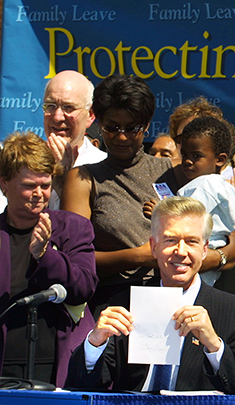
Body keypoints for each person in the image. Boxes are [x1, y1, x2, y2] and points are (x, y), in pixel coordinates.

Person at [66, 197, 235, 395]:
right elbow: (81, 386)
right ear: (153, 247)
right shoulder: (124, 304)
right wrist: (95, 343)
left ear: (204, 250)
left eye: (192, 242)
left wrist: (214, 346)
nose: (181, 251)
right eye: (171, 240)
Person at [60, 75, 179, 315]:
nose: (122, 136)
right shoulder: (83, 179)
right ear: (100, 123)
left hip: (170, 298)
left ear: (146, 126)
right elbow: (72, 260)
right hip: (111, 306)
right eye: (112, 128)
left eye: (132, 128)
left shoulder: (169, 171)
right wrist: (136, 257)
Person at [0, 132, 98, 387]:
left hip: (55, 362)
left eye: (45, 185)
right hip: (5, 362)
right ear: (4, 184)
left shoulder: (73, 227)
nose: (39, 194)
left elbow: (84, 286)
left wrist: (45, 255)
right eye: (29, 185)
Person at [175, 116, 235, 286]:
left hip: (201, 253)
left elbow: (185, 217)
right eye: (184, 154)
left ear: (220, 159)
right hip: (215, 255)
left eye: (196, 156)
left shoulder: (205, 184)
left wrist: (160, 209)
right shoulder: (228, 187)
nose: (187, 161)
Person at [43, 70, 107, 209]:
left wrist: (64, 189)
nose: (57, 117)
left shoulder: (104, 170)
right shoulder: (24, 164)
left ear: (90, 115)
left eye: (68, 107)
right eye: (51, 106)